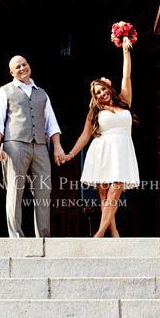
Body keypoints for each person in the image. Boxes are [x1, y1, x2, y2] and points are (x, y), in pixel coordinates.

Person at [63, 43, 138, 237]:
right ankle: (114, 233)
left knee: (115, 192)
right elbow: (85, 136)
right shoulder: (94, 112)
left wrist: (125, 51)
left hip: (122, 152)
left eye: (103, 89)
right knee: (105, 196)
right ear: (95, 97)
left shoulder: (124, 102)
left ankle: (98, 233)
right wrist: (71, 154)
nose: (102, 93)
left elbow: (127, 76)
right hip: (102, 152)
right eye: (97, 92)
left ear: (109, 88)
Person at [0, 55, 65, 238]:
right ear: (11, 72)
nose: (22, 68)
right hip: (14, 145)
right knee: (15, 190)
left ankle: (43, 237)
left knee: (43, 190)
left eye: (24, 64)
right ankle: (16, 236)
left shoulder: (42, 93)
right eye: (18, 67)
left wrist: (57, 147)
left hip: (40, 146)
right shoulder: (4, 91)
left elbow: (51, 123)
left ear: (29, 66)